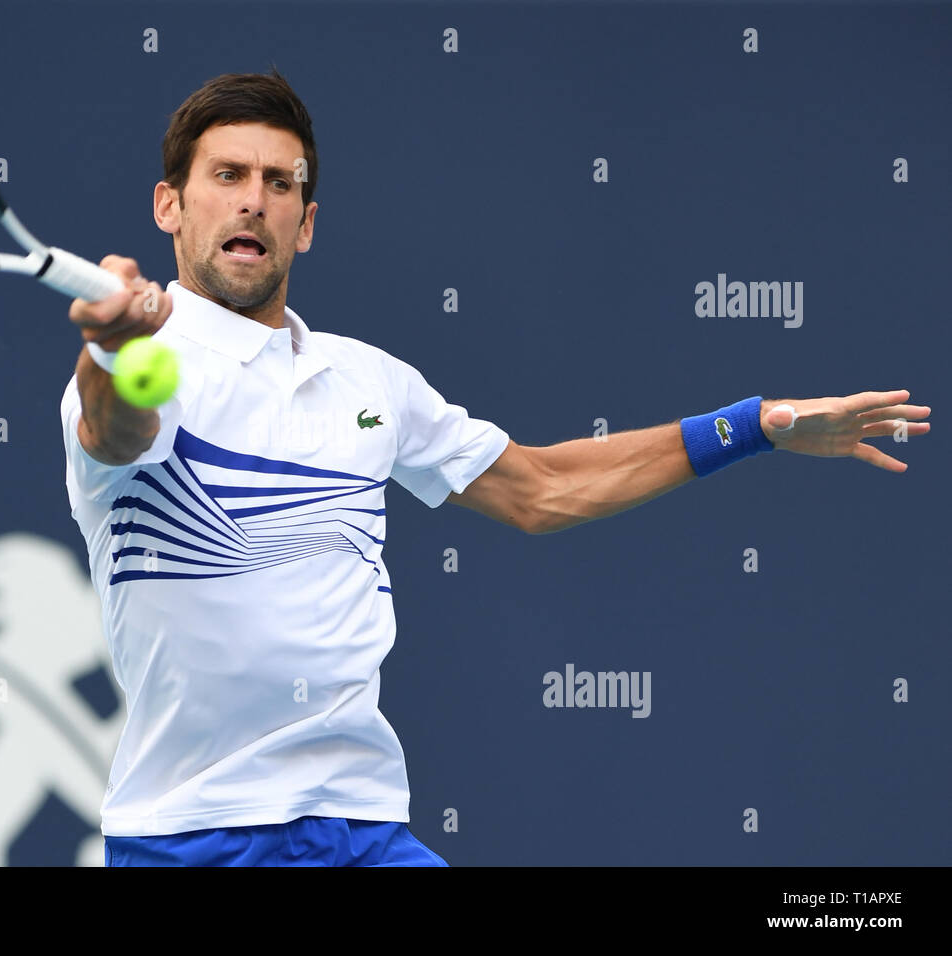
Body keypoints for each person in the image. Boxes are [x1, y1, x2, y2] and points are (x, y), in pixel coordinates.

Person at [60, 70, 931, 867]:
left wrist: (755, 428)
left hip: (361, 824)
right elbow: (117, 432)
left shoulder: (369, 381)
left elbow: (542, 488)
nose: (254, 202)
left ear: (307, 222)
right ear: (169, 207)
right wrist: (114, 352)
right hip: (191, 835)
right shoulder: (132, 372)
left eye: (279, 183)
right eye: (227, 177)